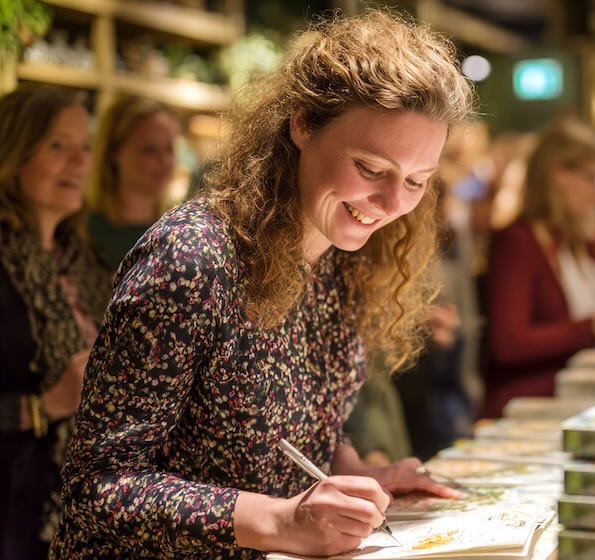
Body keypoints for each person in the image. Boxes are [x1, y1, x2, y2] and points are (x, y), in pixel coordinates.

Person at [51, 11, 473, 559]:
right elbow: (98, 486)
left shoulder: (343, 261)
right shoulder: (193, 259)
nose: (394, 205)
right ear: (302, 125)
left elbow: (293, 437)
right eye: (371, 168)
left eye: (417, 181)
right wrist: (277, 520)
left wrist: (362, 478)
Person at [0, 86, 110, 559]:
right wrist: (46, 406)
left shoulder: (90, 262)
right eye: (57, 146)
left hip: (93, 515)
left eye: (85, 147)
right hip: (12, 515)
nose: (78, 163)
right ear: (13, 153)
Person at [481, 118, 595, 418]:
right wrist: (591, 328)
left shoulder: (588, 235)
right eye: (591, 177)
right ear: (557, 174)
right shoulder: (517, 240)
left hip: (587, 389)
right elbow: (509, 343)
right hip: (533, 402)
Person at [86, 96, 181, 269]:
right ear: (113, 152)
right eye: (149, 150)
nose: (164, 161)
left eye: (169, 149)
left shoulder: (177, 232)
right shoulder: (80, 230)